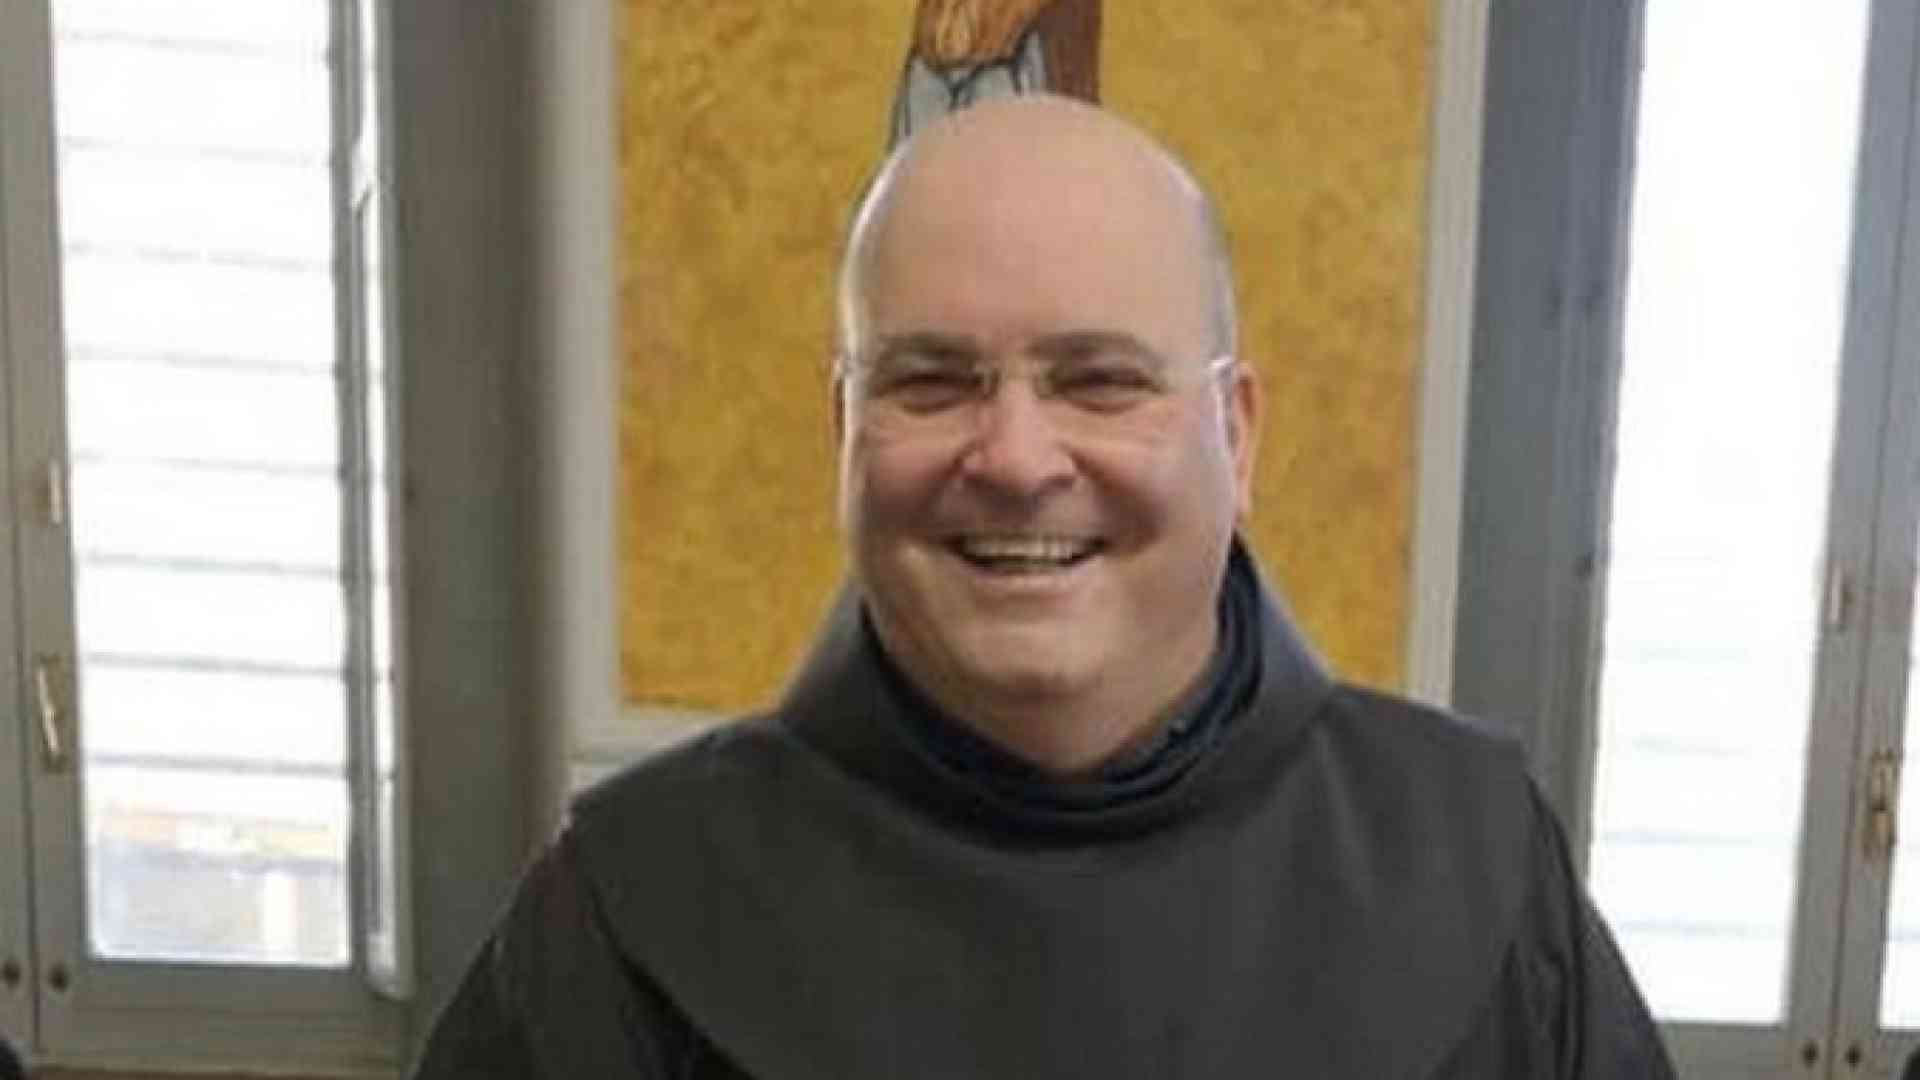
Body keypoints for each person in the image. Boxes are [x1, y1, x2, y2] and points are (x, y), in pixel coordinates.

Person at [414, 95, 1675, 1077]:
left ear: (1236, 435)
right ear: (844, 430)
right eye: (930, 381)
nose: (1016, 459)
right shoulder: (633, 917)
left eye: (1101, 380)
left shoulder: (1482, 876)